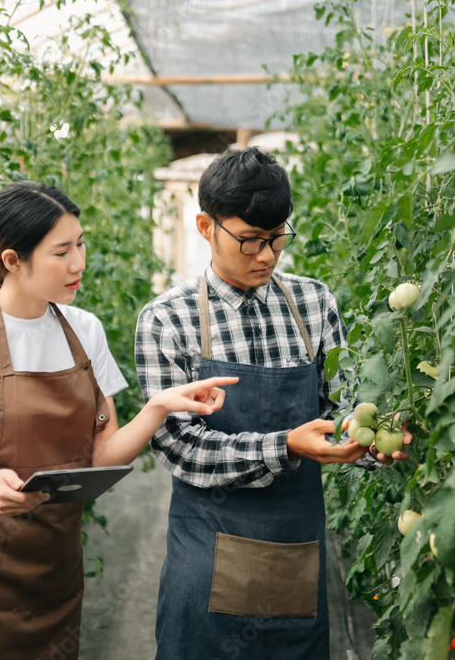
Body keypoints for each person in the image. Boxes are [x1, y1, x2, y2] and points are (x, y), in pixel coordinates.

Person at [0, 181, 235, 660]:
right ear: (13, 260)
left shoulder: (85, 331)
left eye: (80, 244)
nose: (79, 263)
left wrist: (159, 406)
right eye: (62, 251)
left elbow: (102, 454)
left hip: (56, 572)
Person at [135, 147, 410, 660]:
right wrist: (285, 445)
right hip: (208, 547)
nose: (266, 255)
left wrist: (372, 439)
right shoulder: (167, 320)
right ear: (204, 226)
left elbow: (343, 403)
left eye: (277, 238)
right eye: (250, 241)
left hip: (294, 549)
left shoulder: (314, 303)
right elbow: (179, 447)